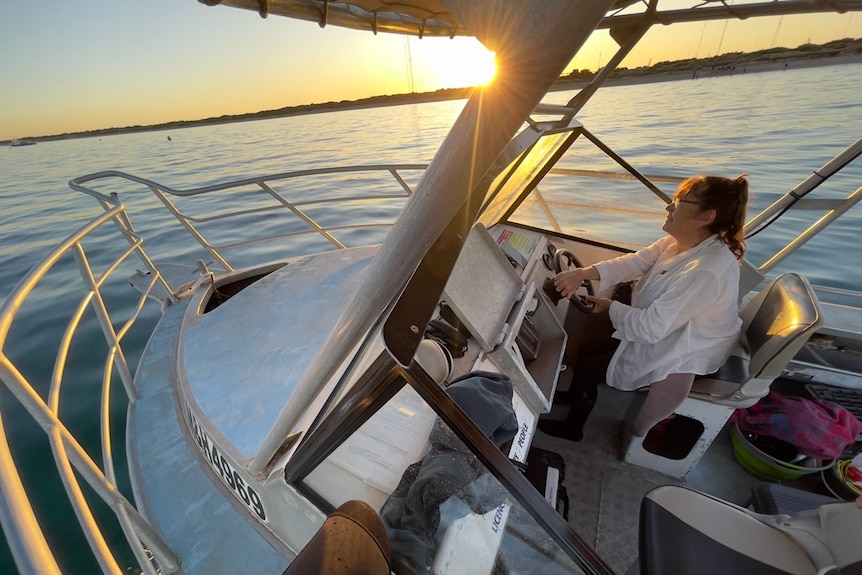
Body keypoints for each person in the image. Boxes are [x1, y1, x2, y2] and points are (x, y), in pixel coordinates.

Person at [539, 174, 749, 441]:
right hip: (664, 327)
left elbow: (651, 329)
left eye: (678, 201)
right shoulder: (678, 244)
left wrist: (610, 307)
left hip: (683, 346)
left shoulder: (707, 269)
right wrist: (583, 273)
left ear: (705, 216)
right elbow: (635, 263)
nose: (668, 208)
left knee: (591, 366)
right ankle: (572, 395)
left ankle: (573, 429)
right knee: (586, 350)